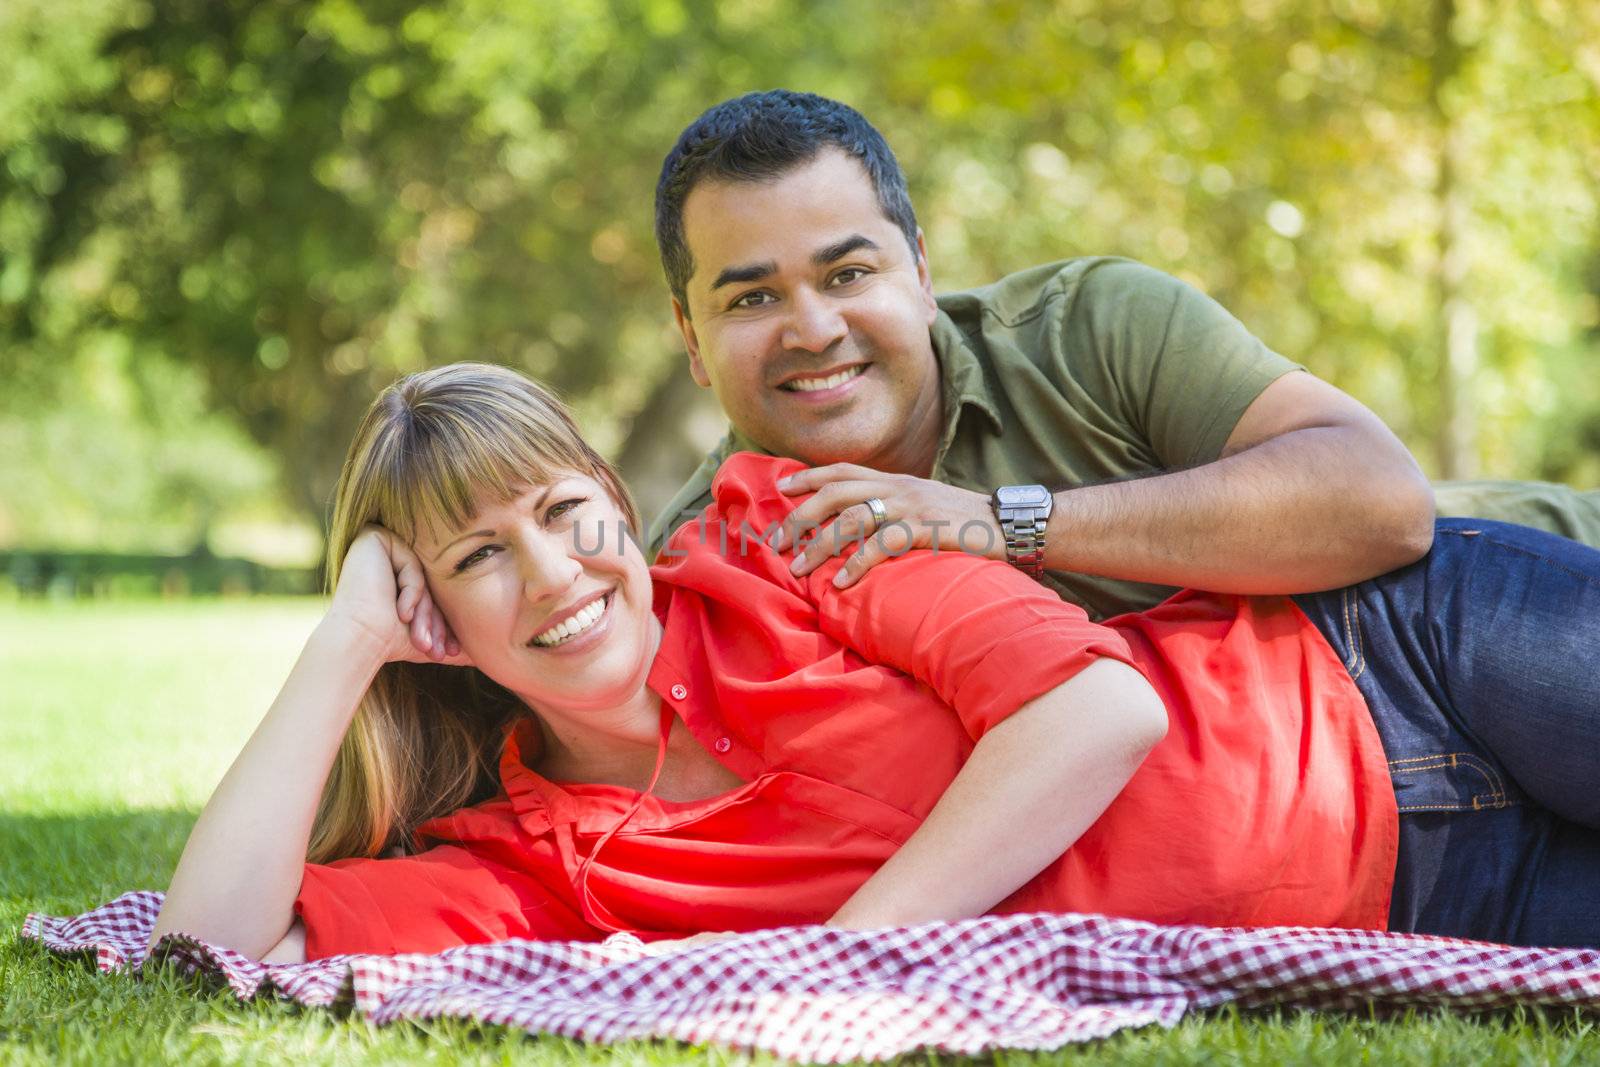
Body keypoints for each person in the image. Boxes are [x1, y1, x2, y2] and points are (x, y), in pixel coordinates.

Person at [148, 362, 1600, 965]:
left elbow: (1097, 708)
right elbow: (214, 944)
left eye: (561, 510)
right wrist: (345, 641)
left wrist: (850, 967)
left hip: (1407, 654)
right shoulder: (541, 862)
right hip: (1421, 891)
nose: (552, 573)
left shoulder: (779, 530)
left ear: (611, 489)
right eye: (474, 558)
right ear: (433, 618)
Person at [646, 90, 1600, 620]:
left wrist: (992, 522)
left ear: (923, 273)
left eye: (849, 273)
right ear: (691, 340)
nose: (812, 328)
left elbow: (1381, 504)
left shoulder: (1089, 325)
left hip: (1528, 587)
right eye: (753, 297)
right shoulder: (700, 565)